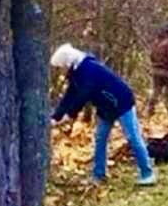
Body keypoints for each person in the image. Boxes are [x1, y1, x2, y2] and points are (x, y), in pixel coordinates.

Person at [50, 44, 156, 186]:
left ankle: (147, 173)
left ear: (67, 62)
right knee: (100, 138)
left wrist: (70, 114)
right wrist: (56, 117)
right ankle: (99, 174)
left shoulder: (88, 69)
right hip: (106, 107)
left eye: (61, 66)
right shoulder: (76, 73)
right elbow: (70, 95)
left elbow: (84, 94)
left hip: (121, 102)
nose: (61, 70)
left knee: (133, 137)